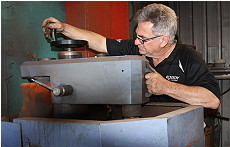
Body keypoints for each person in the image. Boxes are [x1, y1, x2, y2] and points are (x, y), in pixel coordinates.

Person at [42, 3, 220, 109]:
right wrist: (64, 28)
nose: (136, 42)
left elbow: (212, 100)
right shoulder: (137, 49)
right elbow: (99, 42)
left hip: (180, 131)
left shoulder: (187, 57)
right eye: (136, 36)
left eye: (142, 38)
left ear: (163, 40)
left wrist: (166, 87)